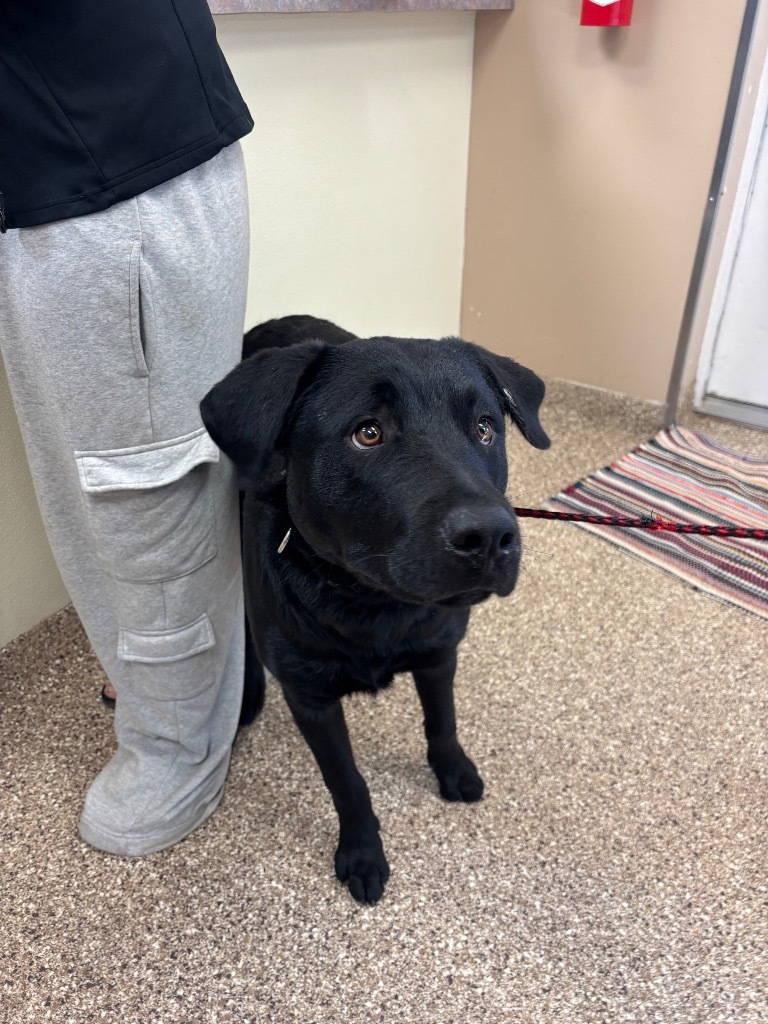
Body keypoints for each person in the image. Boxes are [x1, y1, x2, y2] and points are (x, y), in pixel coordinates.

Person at [0, 0, 254, 856]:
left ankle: (179, 746)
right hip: (58, 159)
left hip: (105, 167)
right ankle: (200, 683)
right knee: (94, 485)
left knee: (143, 496)